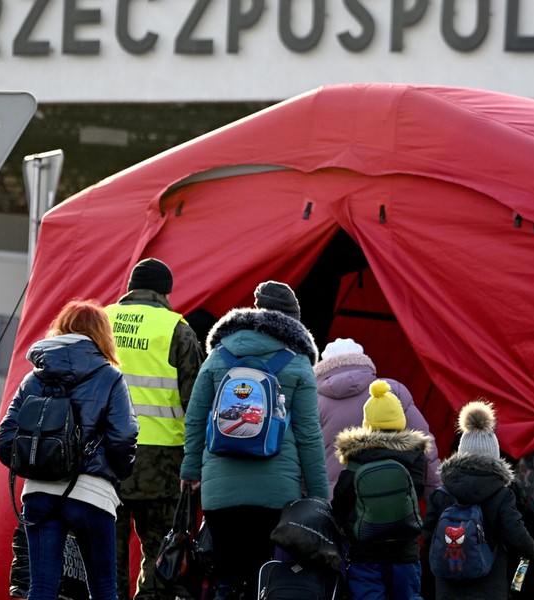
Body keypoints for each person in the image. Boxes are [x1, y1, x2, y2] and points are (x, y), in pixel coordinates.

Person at [180, 281, 330, 600]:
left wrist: (191, 470)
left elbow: (195, 417)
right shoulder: (298, 363)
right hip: (276, 495)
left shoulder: (219, 355)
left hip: (220, 492)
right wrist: (318, 495)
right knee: (265, 579)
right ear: (293, 321)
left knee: (224, 578)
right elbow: (308, 434)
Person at [0, 299, 140, 600]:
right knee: (103, 588)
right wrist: (116, 473)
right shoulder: (110, 377)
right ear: (102, 334)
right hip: (91, 494)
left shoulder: (33, 378)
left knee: (42, 586)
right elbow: (123, 435)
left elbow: (5, 440)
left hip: (39, 495)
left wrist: (37, 465)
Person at [104, 257, 203, 600]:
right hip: (160, 463)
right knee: (161, 553)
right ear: (165, 292)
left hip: (104, 458)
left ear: (130, 288)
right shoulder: (177, 328)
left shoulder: (100, 321)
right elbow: (196, 402)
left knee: (105, 555)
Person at [423, 400, 534, 599]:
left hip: (448, 585)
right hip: (489, 586)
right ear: (494, 456)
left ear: (460, 453)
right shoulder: (501, 495)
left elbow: (428, 536)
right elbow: (515, 534)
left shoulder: (442, 494)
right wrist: (531, 551)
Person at [330, 379, 433, 599]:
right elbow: (417, 491)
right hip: (405, 551)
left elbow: (340, 502)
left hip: (366, 554)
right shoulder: (414, 456)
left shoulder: (356, 457)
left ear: (368, 422)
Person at [315, 337, 442, 491]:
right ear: (363, 361)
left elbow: (303, 455)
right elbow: (424, 446)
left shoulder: (313, 401)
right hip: (387, 497)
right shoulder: (392, 390)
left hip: (332, 500)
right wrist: (435, 497)